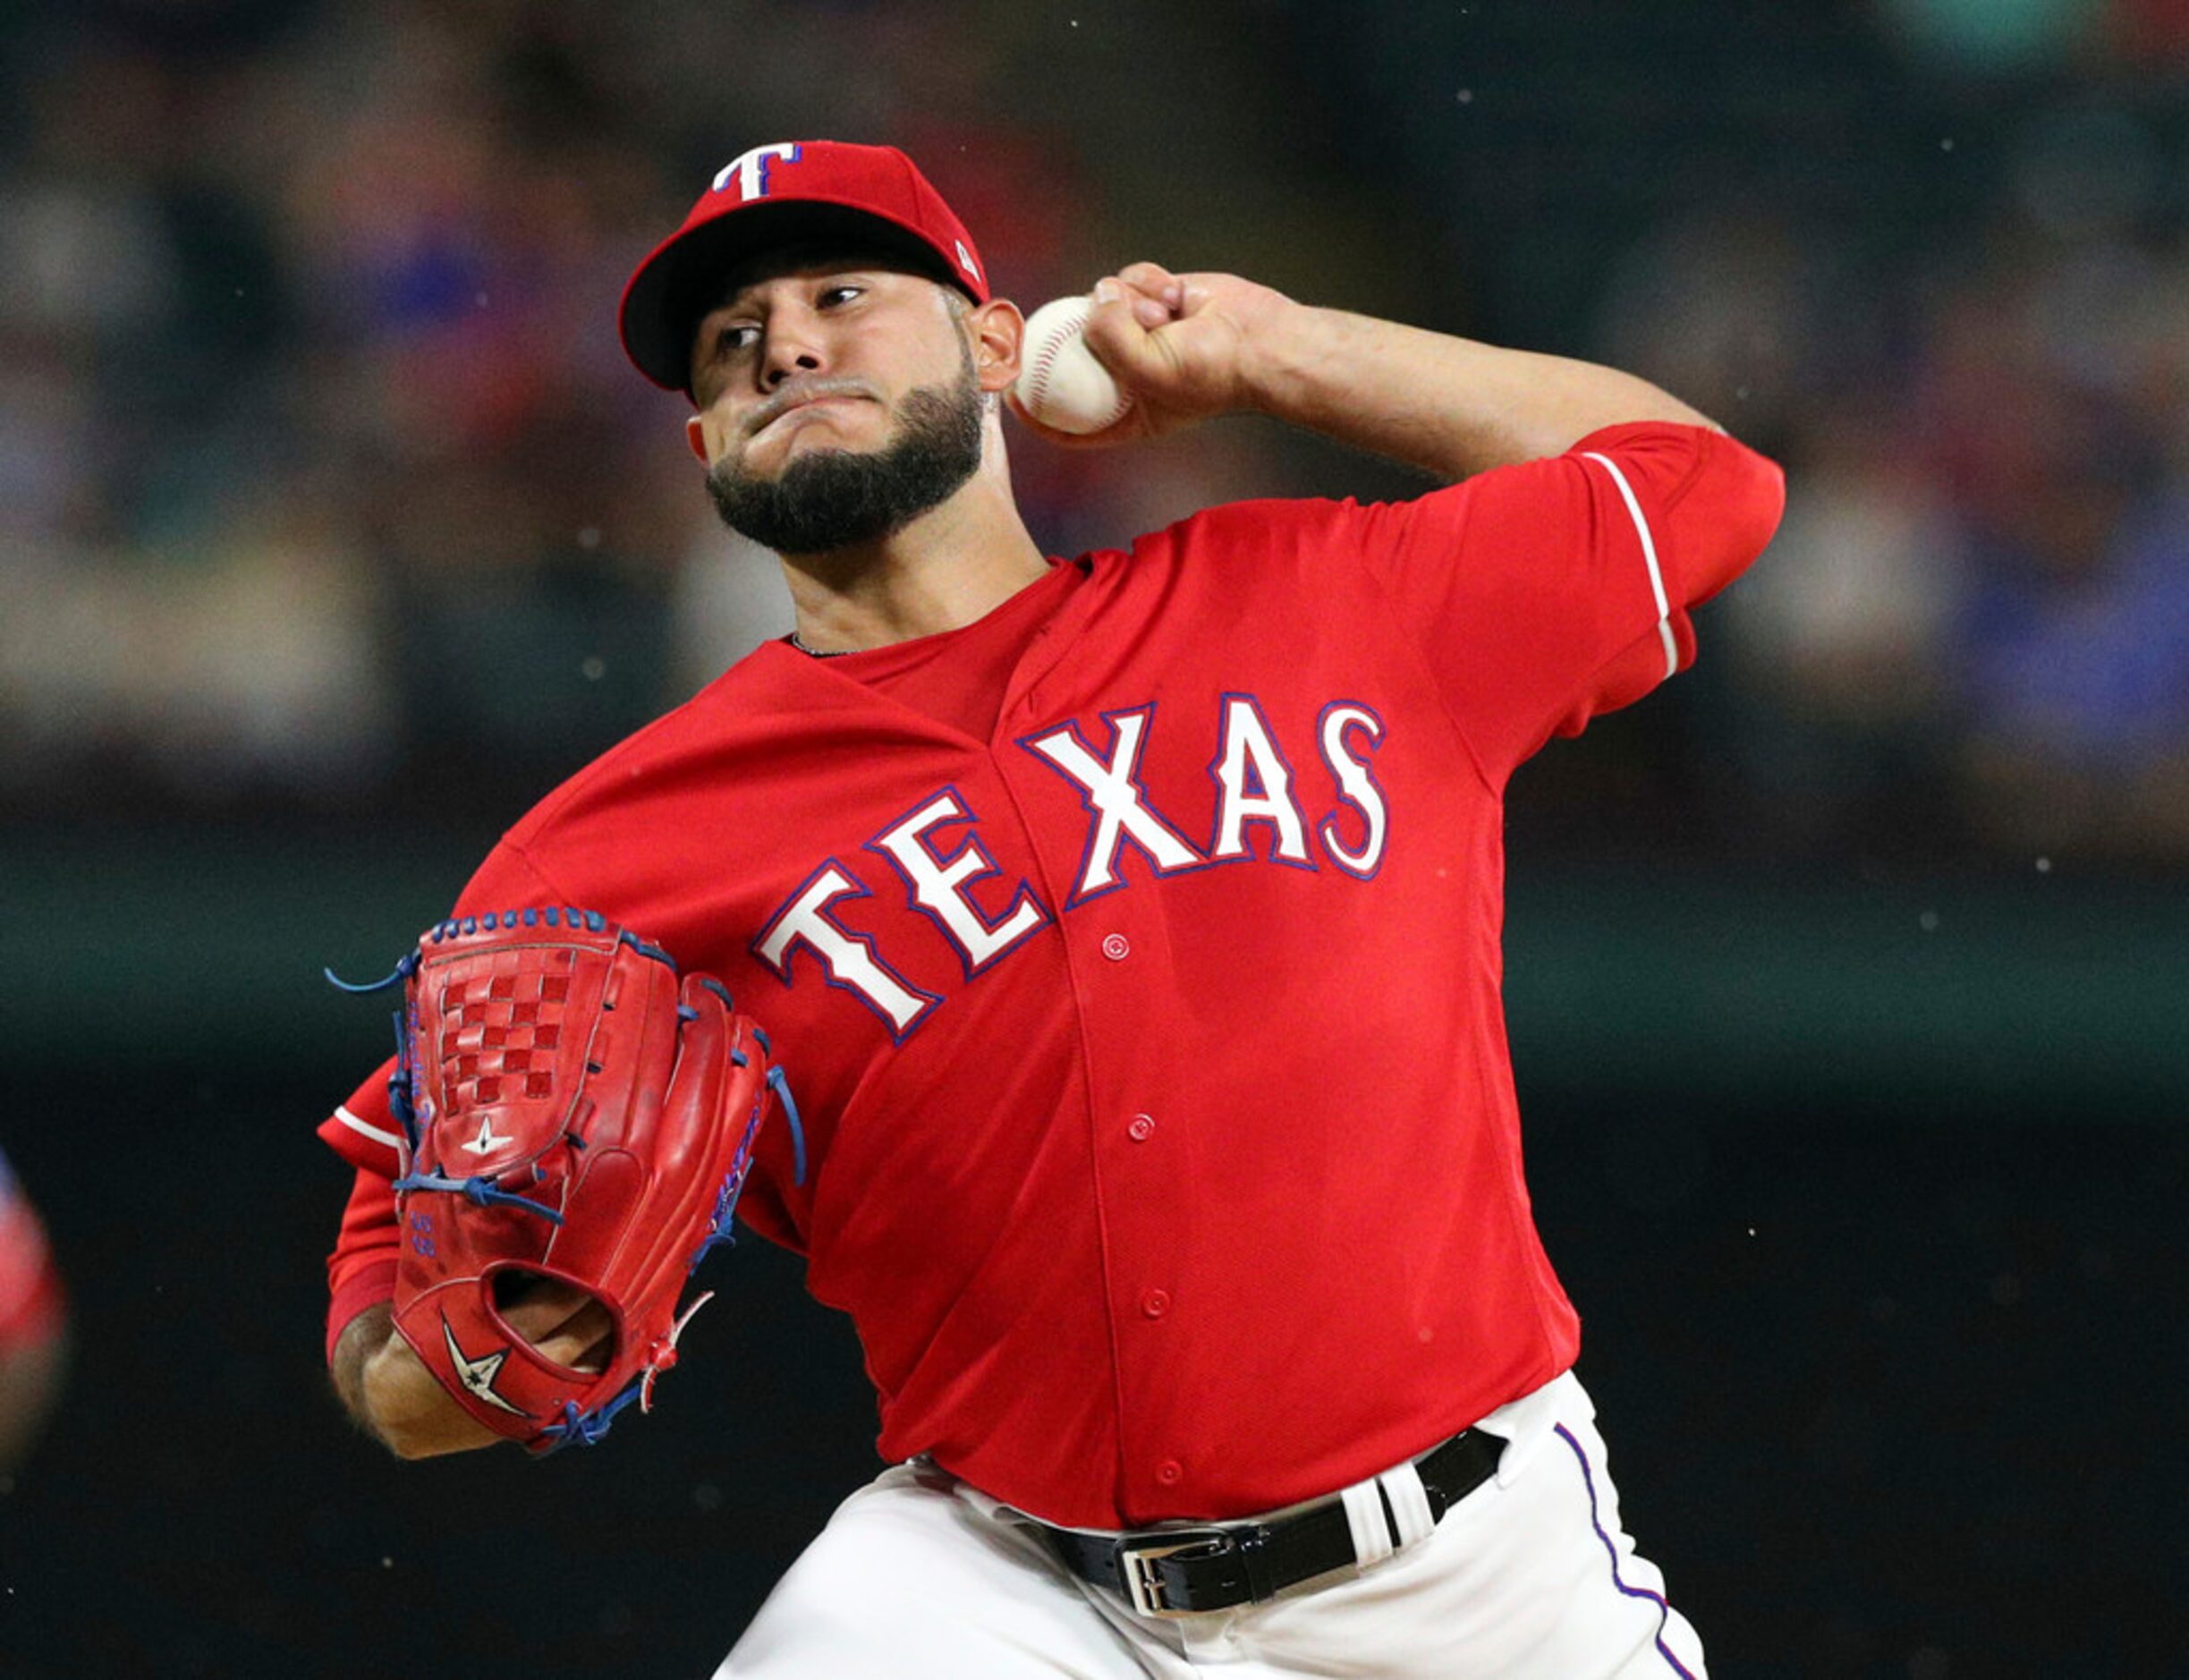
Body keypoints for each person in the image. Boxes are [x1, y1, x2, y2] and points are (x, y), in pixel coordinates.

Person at [318, 140, 1783, 1677]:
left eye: (842, 294)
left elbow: (1703, 490)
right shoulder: (615, 848)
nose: (788, 346)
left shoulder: (1327, 601)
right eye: (732, 341)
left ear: (1002, 343)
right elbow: (394, 1288)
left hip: (1477, 1575)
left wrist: (1274, 351)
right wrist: (455, 1366)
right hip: (1012, 1587)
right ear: (702, 443)